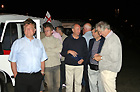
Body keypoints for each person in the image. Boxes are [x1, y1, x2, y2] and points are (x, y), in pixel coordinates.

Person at [9, 18, 48, 92]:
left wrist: (42, 72)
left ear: (34, 30)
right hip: (22, 77)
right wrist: (15, 75)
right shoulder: (17, 43)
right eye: (26, 29)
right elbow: (13, 60)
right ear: (24, 30)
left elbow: (42, 59)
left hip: (36, 77)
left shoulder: (39, 43)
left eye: (30, 28)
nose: (28, 30)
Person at [94, 21, 122, 92]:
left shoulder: (113, 39)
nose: (100, 34)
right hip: (107, 70)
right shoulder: (109, 38)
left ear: (106, 29)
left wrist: (101, 58)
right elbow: (108, 53)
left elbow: (114, 57)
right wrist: (100, 54)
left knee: (110, 90)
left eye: (100, 31)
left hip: (109, 70)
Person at [61, 24, 88, 92]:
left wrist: (83, 59)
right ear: (73, 30)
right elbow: (62, 52)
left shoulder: (82, 39)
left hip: (79, 65)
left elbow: (86, 52)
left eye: (79, 29)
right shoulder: (67, 40)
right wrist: (68, 51)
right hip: (69, 65)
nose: (79, 31)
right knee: (69, 84)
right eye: (77, 29)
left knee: (78, 84)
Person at [41, 22, 62, 92]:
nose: (46, 32)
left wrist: (48, 50)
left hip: (56, 65)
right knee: (49, 85)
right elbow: (42, 52)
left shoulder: (57, 40)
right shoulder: (42, 41)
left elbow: (59, 49)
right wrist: (54, 50)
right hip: (47, 66)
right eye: (45, 31)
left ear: (52, 31)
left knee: (57, 85)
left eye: (47, 31)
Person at [56, 26, 67, 90]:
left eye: (56, 30)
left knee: (63, 71)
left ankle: (63, 83)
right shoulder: (57, 37)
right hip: (58, 58)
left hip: (63, 58)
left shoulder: (65, 38)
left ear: (60, 31)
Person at [82, 23, 93, 92]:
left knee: (86, 77)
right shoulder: (95, 35)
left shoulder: (84, 37)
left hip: (86, 60)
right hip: (94, 60)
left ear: (85, 29)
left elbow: (83, 50)